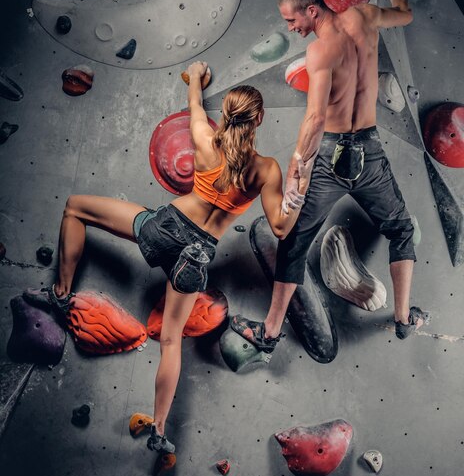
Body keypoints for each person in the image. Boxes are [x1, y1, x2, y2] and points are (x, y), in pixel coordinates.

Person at [23, 61, 310, 455]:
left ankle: (60, 293)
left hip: (163, 230)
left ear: (225, 116)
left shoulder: (206, 141)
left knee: (75, 208)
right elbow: (280, 227)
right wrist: (298, 186)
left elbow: (193, 102)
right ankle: (159, 431)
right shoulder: (267, 170)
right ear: (259, 119)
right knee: (171, 340)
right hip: (195, 258)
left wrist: (196, 77)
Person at [231, 0, 429, 355]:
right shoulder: (366, 17)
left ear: (311, 9)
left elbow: (316, 119)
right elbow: (405, 14)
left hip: (330, 158)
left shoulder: (320, 52)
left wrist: (294, 176)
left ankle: (269, 335)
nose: (291, 28)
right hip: (369, 152)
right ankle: (403, 319)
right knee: (401, 229)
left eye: (292, 21)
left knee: (293, 242)